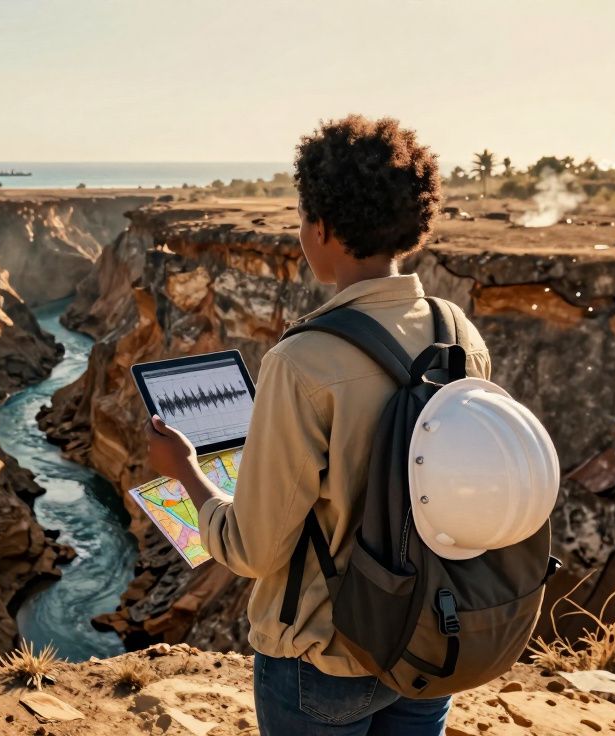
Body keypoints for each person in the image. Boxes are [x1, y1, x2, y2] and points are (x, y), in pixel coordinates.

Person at [144, 115, 491, 735]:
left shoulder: (301, 362)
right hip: (431, 639)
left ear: (324, 226)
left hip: (326, 659)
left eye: (303, 218)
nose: (301, 232)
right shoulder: (457, 333)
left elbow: (253, 550)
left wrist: (187, 476)